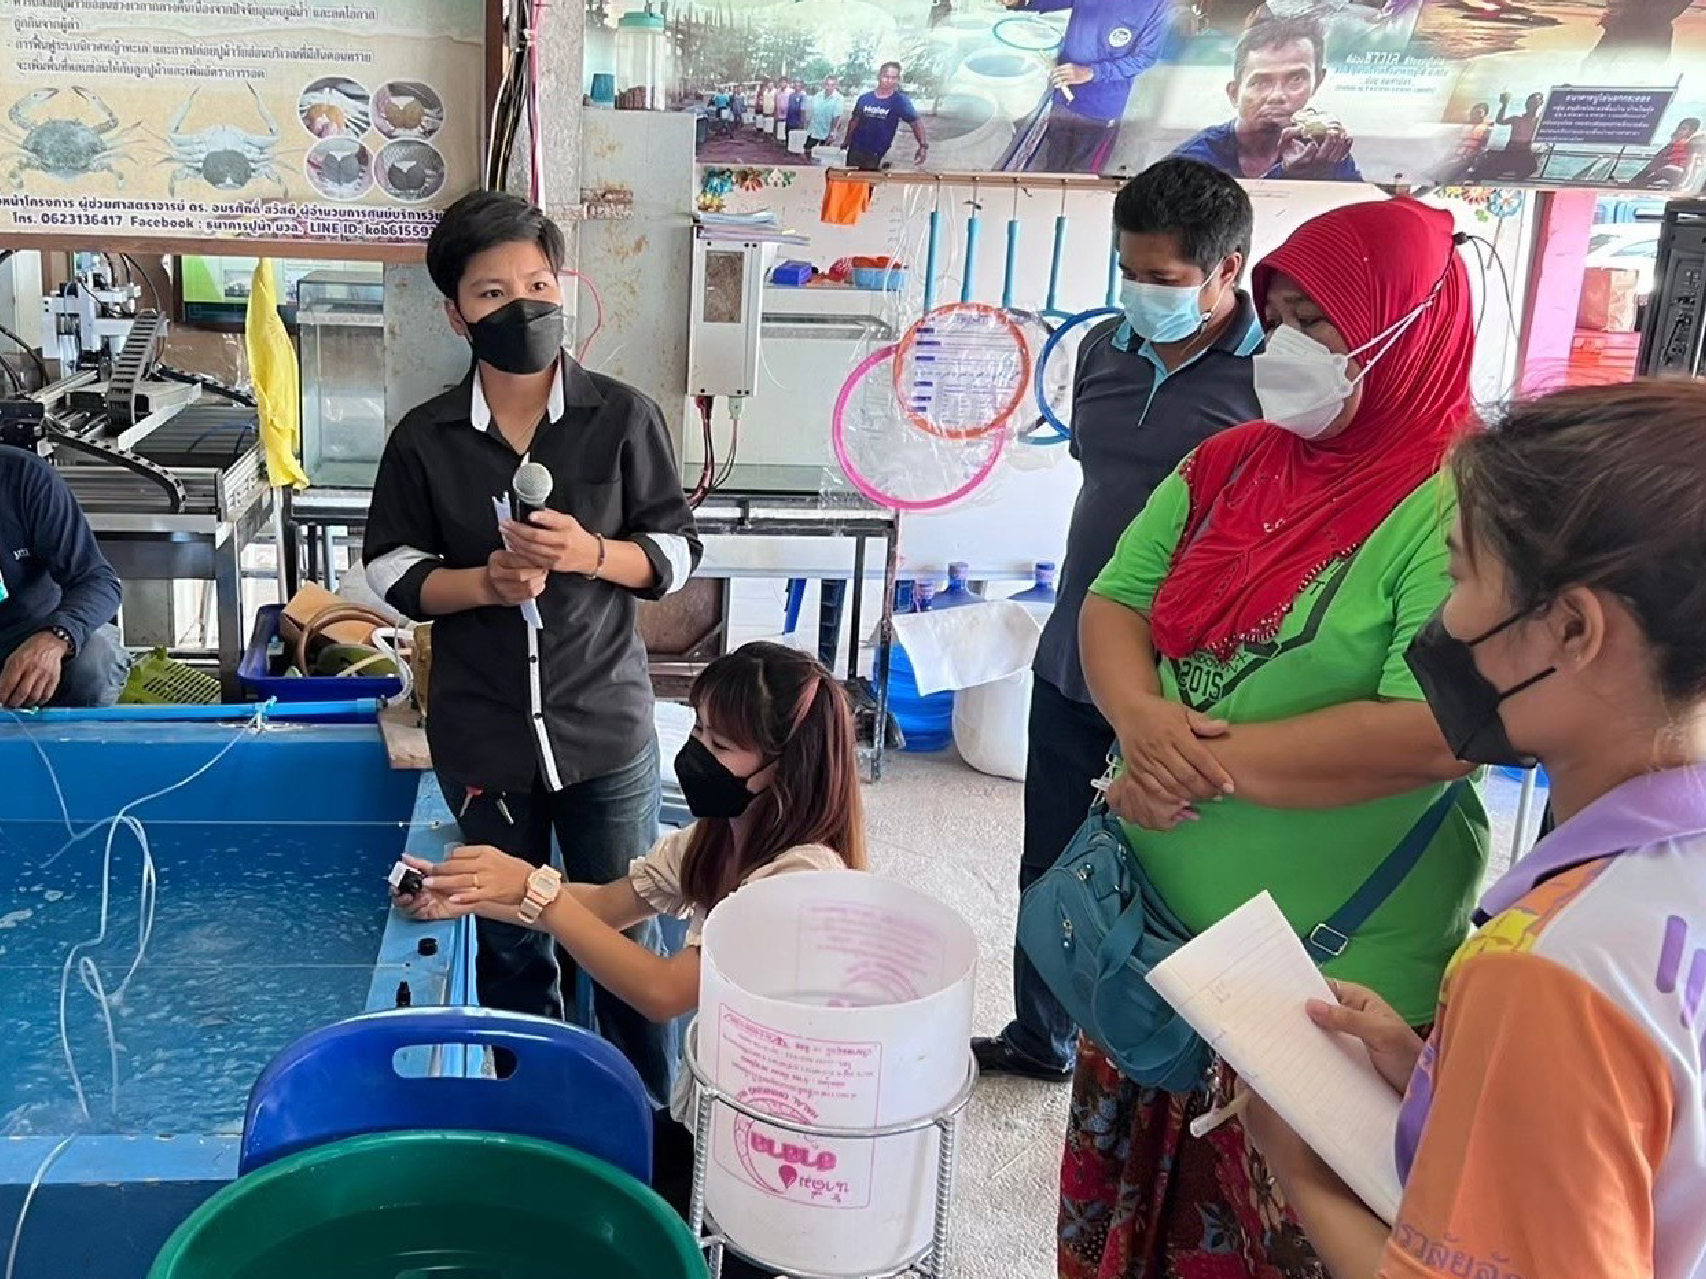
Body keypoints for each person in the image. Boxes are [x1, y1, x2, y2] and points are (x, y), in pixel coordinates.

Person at [1059, 197, 1489, 1279]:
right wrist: (1139, 720)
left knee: (1283, 1229)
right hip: (1154, 937)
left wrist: (1184, 765)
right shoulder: (1230, 463)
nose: (1289, 347)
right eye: (1281, 318)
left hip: (1325, 973)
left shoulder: (1464, 507)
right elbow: (1113, 602)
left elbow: (1434, 730)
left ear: (1410, 331)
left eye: (1322, 324)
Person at [1245, 378, 1706, 1279]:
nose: (1444, 620)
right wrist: (1441, 1072)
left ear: (1571, 628)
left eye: (1458, 577)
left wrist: (1301, 1169)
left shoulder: (1549, 970)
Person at [363, 189, 701, 1105]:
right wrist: (484, 583)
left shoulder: (622, 417)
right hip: (483, 740)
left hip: (604, 729)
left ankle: (643, 1123)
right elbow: (390, 569)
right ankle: (535, 1116)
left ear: (562, 286)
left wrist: (592, 553)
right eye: (491, 292)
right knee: (513, 941)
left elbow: (675, 550)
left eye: (538, 284)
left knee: (622, 931)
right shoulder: (426, 438)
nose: (522, 305)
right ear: (456, 314)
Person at [394, 641, 865, 1279]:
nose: (697, 752)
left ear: (787, 767)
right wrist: (473, 896)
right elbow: (607, 905)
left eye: (722, 745)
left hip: (779, 1150)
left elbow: (664, 992)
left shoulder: (800, 880)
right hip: (714, 1113)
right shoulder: (717, 836)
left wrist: (536, 890)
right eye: (698, 729)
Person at [972, 158, 1265, 1083]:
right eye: (1128, 271)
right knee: (1051, 856)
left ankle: (1154, 1061)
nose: (1140, 294)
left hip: (1190, 678)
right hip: (1074, 652)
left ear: (1227, 270)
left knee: (1168, 876)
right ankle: (1041, 1035)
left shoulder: (1272, 377)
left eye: (1163, 279)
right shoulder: (1105, 349)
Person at [0, 444, 129, 710]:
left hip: (27, 632)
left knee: (95, 662)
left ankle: (67, 736)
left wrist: (55, 637)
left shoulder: (24, 477)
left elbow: (97, 580)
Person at [1172, 15, 1362, 181]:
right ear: (1234, 93)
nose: (1277, 95)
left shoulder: (1325, 150)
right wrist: (1287, 176)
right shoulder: (1194, 159)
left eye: (1296, 79)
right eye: (1260, 82)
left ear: (1318, 81)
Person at [999, 0, 1172, 174]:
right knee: (1055, 156)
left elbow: (1144, 58)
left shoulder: (1159, 5)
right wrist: (1022, 2)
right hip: (1063, 94)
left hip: (1100, 108)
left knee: (1083, 170)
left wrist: (1092, 72)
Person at [845, 62, 929, 171]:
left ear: (898, 79)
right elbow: (854, 121)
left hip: (878, 155)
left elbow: (916, 123)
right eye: (886, 76)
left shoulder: (900, 101)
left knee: (869, 181)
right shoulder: (864, 99)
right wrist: (846, 140)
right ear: (879, 76)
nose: (889, 81)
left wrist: (922, 146)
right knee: (849, 179)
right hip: (856, 150)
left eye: (893, 78)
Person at [1479, 90, 1543, 181]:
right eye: (1529, 103)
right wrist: (1504, 104)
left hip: (1525, 151)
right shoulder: (1517, 119)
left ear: (1539, 104)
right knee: (1489, 169)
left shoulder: (1539, 121)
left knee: (1530, 168)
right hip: (1511, 150)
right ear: (1526, 104)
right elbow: (1500, 121)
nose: (1531, 106)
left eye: (1534, 103)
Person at [1628, 117, 1704, 190]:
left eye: (1684, 129)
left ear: (1692, 131)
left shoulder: (1692, 144)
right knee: (1661, 163)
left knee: (1668, 169)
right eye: (1680, 128)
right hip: (1669, 171)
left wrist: (1682, 184)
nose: (1680, 131)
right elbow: (1658, 160)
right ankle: (1637, 181)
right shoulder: (1674, 143)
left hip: (1682, 174)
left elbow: (1690, 166)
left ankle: (1642, 182)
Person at [1434, 101, 1492, 185]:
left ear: (1484, 114)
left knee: (1448, 175)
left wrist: (1474, 163)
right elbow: (1451, 142)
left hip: (1468, 160)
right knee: (1436, 174)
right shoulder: (1462, 126)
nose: (1475, 115)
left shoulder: (1487, 129)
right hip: (1453, 157)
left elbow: (1484, 148)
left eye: (1479, 112)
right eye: (1473, 112)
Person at [805, 76, 844, 159]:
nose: (828, 87)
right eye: (827, 84)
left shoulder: (838, 98)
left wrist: (832, 132)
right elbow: (813, 113)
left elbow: (837, 117)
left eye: (832, 85)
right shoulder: (818, 96)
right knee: (807, 150)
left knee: (822, 155)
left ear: (835, 86)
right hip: (814, 130)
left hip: (827, 132)